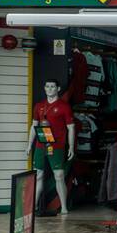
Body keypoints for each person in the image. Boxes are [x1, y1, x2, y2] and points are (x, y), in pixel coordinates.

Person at [27, 79, 76, 215]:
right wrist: (29, 145)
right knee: (38, 176)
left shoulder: (64, 106)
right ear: (44, 88)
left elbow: (71, 128)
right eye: (47, 86)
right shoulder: (39, 106)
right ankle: (32, 207)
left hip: (57, 146)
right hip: (40, 146)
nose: (50, 89)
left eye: (52, 87)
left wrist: (71, 147)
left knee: (59, 176)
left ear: (58, 89)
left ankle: (64, 207)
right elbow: (34, 126)